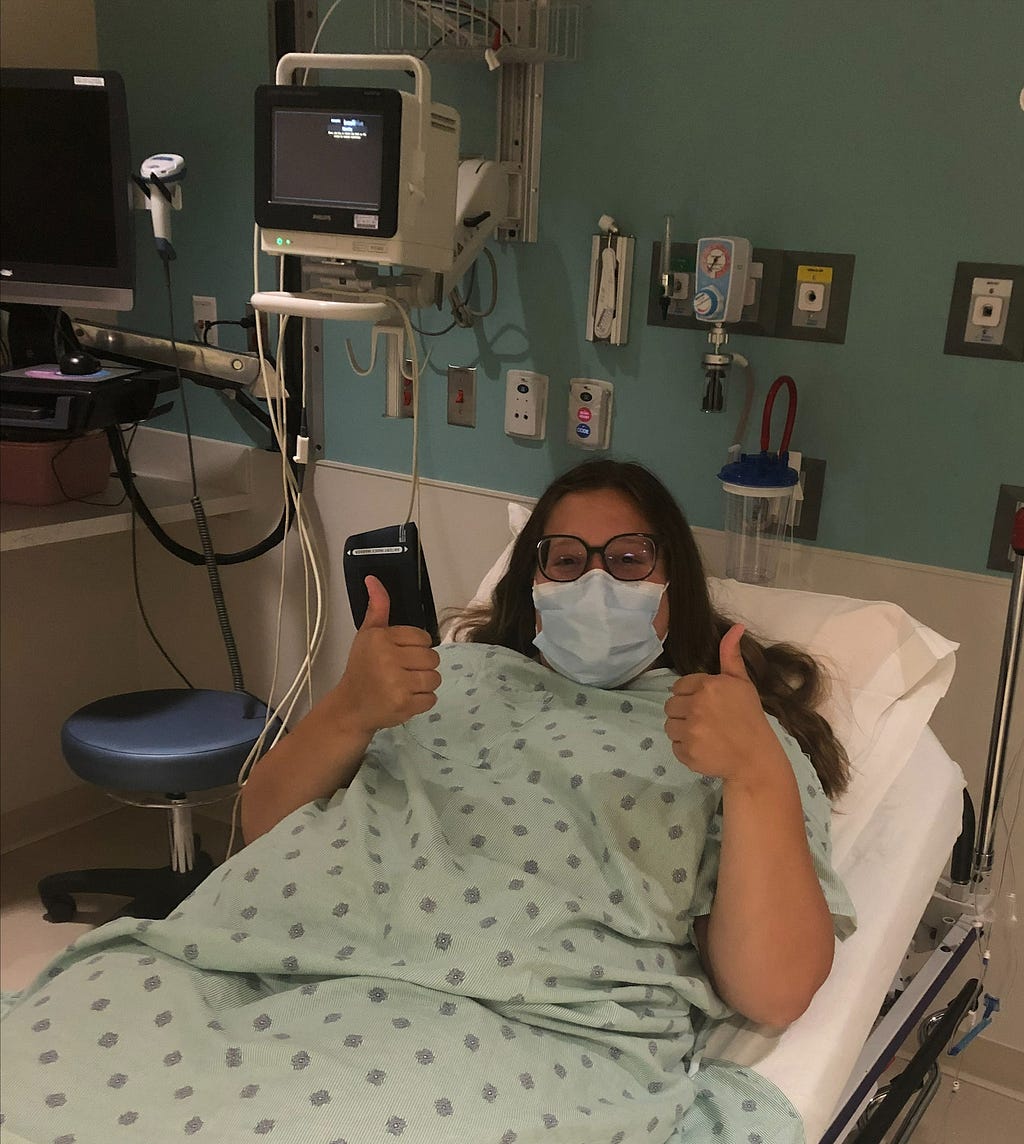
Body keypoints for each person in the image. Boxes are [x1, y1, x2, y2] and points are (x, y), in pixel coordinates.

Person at [2, 458, 854, 1144]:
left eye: (628, 558)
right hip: (245, 956)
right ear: (534, 583)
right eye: (565, 559)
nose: (594, 579)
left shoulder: (734, 734)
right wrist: (349, 709)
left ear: (676, 585)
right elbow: (261, 826)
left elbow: (774, 991)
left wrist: (754, 774)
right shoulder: (443, 675)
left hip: (505, 1020)